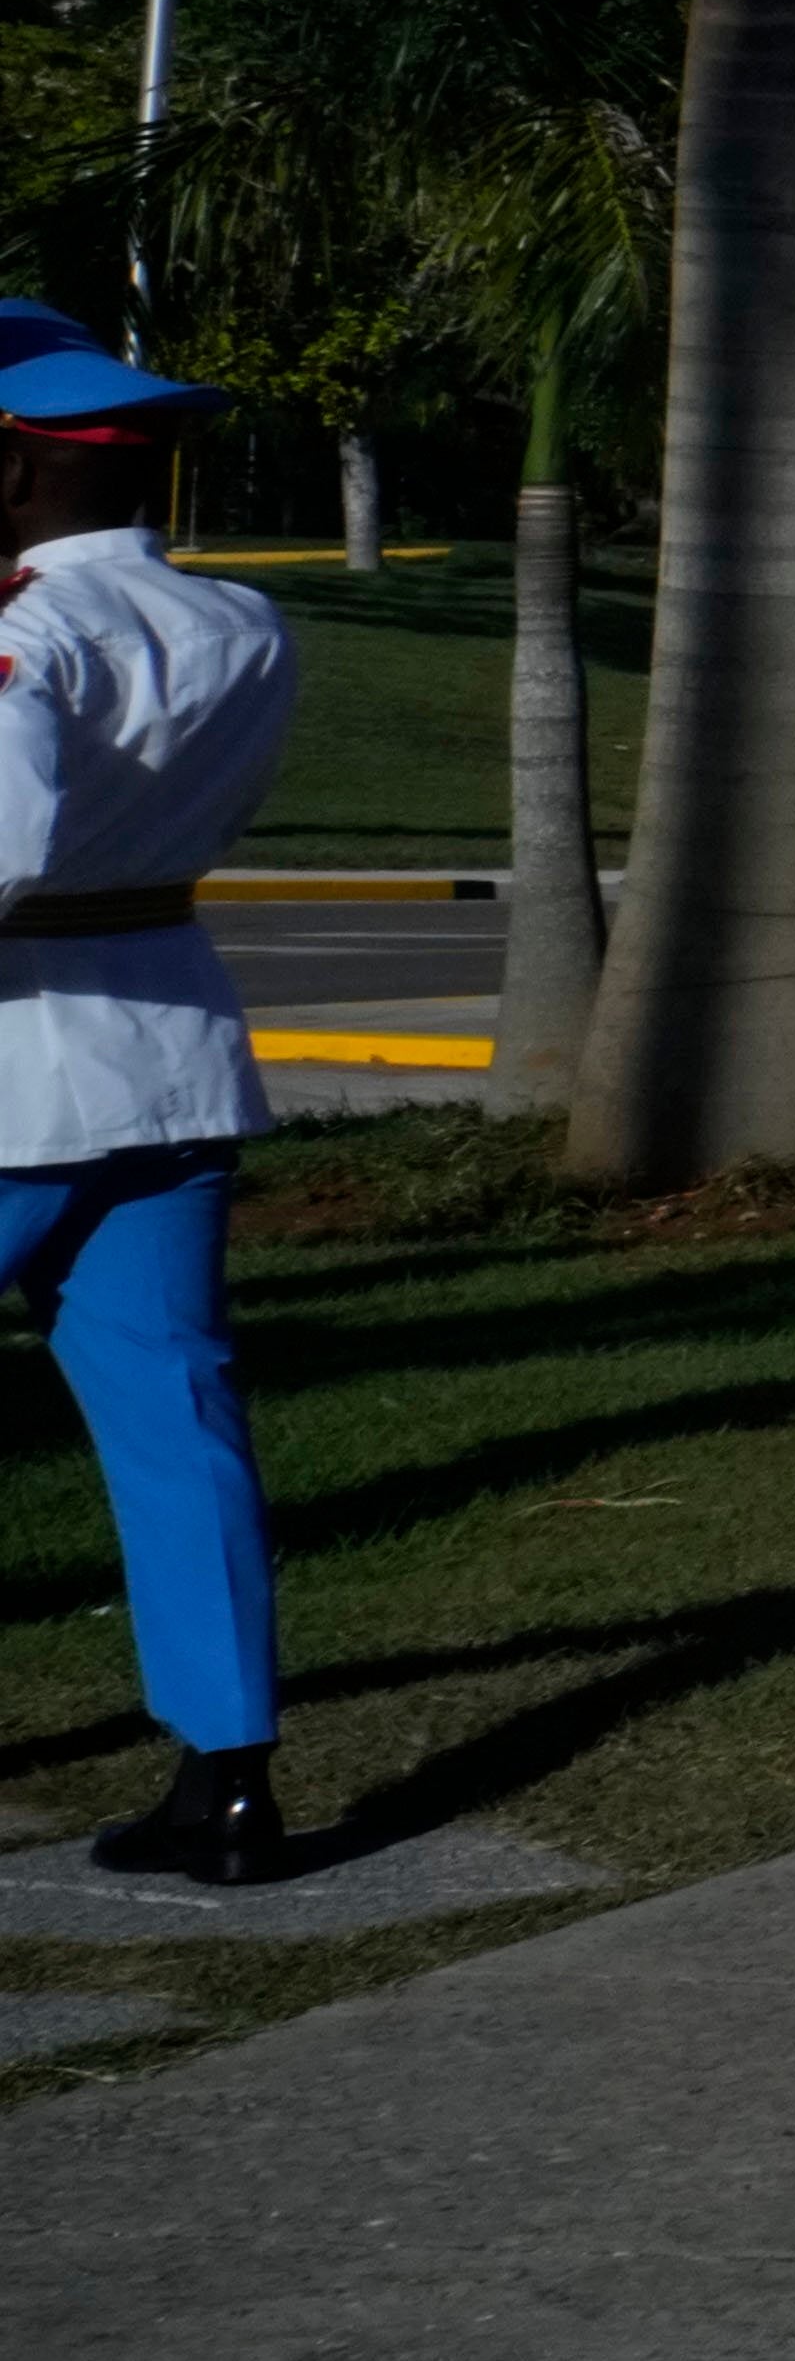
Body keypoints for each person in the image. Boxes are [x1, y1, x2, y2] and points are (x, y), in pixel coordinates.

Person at [0, 305, 310, 1887]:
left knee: (174, 1412)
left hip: (19, 1075)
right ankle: (229, 1776)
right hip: (172, 1050)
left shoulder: (21, 632)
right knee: (178, 1420)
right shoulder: (244, 623)